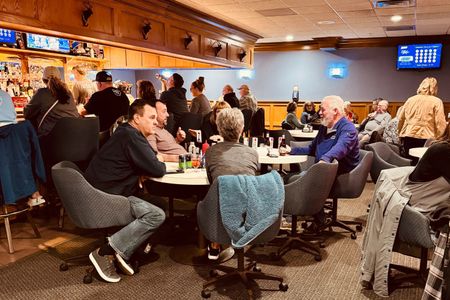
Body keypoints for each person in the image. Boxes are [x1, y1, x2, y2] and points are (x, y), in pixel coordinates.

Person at [85, 99, 166, 283]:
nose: (156, 121)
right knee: (156, 215)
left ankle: (126, 253)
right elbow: (158, 168)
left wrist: (140, 170)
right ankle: (105, 252)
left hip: (101, 191)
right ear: (137, 118)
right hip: (107, 196)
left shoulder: (125, 132)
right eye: (151, 117)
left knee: (158, 202)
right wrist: (147, 167)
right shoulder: (132, 136)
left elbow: (148, 161)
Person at [289, 95, 360, 231]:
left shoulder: (348, 128)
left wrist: (324, 160)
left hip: (343, 175)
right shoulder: (324, 127)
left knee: (302, 178)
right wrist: (291, 150)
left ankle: (318, 219)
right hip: (323, 170)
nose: (319, 113)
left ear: (335, 111)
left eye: (323, 109)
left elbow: (340, 148)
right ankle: (308, 213)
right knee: (295, 177)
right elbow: (312, 148)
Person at [205, 108, 258, 259]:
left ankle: (215, 242)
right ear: (242, 129)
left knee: (214, 194)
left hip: (219, 209)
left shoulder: (211, 152)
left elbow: (211, 181)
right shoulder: (252, 153)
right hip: (248, 210)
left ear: (219, 128)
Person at [398, 77, 446, 160]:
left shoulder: (410, 99)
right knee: (424, 165)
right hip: (427, 138)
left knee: (409, 162)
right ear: (434, 88)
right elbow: (440, 123)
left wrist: (400, 134)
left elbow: (401, 119)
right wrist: (441, 139)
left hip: (408, 136)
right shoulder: (437, 101)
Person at [24, 66, 79, 137]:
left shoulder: (41, 93)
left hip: (50, 139)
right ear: (60, 79)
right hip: (72, 136)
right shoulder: (68, 93)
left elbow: (27, 114)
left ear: (43, 80)